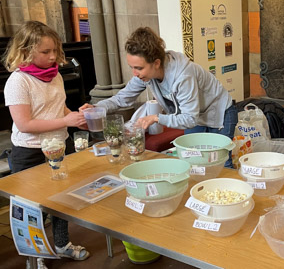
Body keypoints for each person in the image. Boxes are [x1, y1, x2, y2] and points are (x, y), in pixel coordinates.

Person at [80, 26, 237, 167]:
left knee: (221, 163)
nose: (135, 74)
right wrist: (97, 108)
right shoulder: (146, 75)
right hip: (195, 115)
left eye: (139, 68)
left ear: (156, 63)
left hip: (219, 112)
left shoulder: (183, 75)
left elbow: (189, 119)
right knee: (192, 161)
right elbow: (122, 98)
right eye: (132, 68)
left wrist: (156, 118)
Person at [3, 21, 90, 267]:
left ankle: (62, 245)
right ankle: (37, 254)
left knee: (61, 200)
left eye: (55, 51)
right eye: (45, 52)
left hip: (59, 145)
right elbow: (25, 123)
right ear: (26, 51)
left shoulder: (54, 75)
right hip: (29, 150)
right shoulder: (19, 81)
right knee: (34, 207)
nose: (53, 57)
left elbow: (56, 107)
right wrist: (65, 120)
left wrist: (76, 120)